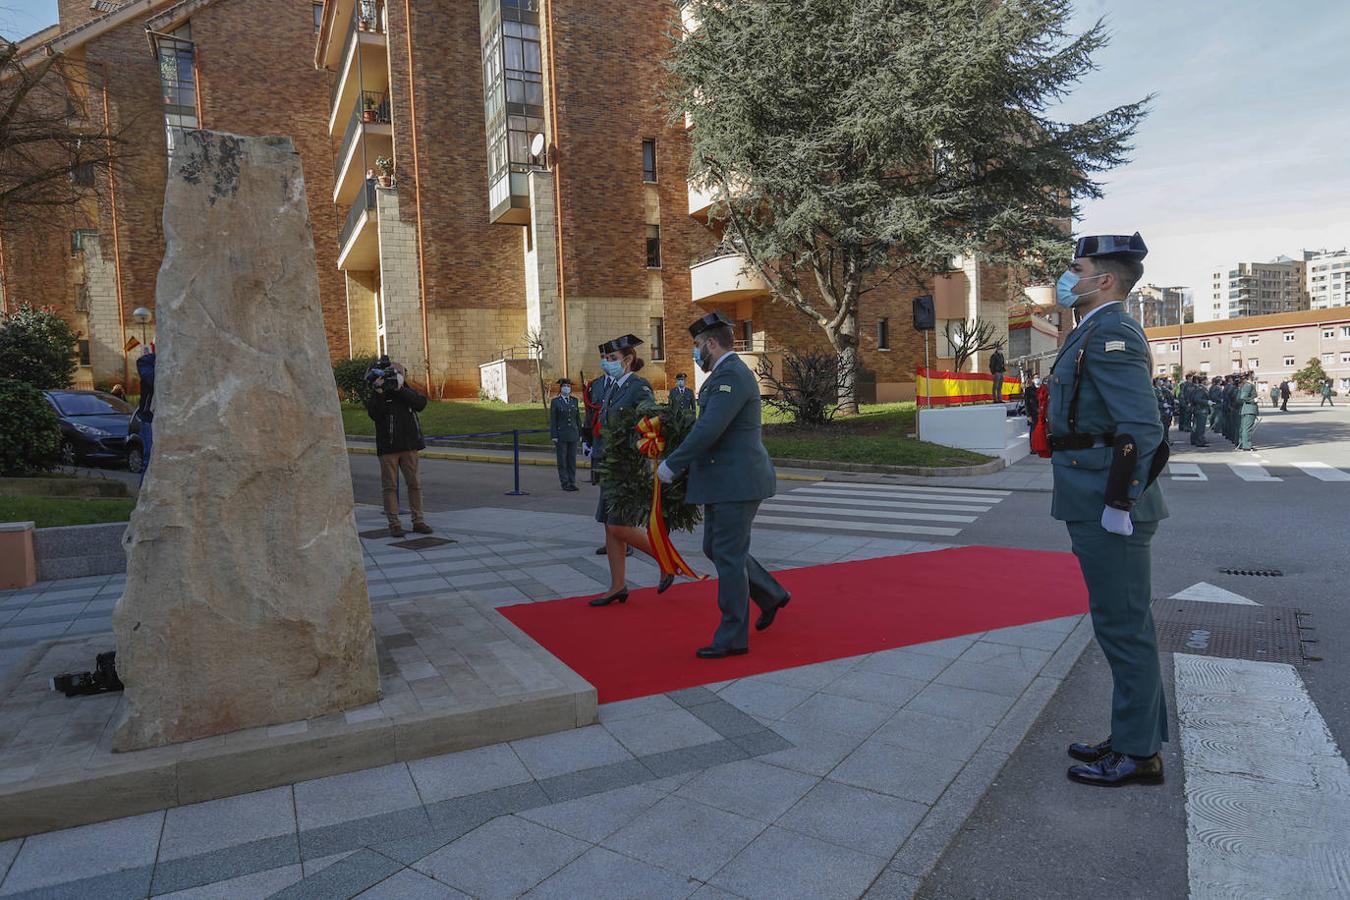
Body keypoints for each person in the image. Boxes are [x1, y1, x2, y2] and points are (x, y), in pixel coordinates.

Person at [1046, 232, 1169, 787]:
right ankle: (1130, 737)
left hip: (1107, 501)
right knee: (1121, 624)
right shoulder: (1092, 328)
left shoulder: (1112, 329)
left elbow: (1142, 427)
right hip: (1093, 492)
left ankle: (1140, 754)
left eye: (1076, 269)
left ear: (1105, 280)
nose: (1067, 278)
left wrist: (1121, 501)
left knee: (1124, 629)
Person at [658, 312, 790, 658]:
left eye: (698, 346)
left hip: (738, 482)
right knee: (716, 549)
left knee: (727, 555)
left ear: (711, 344)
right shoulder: (723, 374)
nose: (696, 352)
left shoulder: (731, 375)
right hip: (726, 481)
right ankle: (770, 593)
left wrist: (673, 464)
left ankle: (733, 636)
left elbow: (709, 429)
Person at [588, 334, 669, 606]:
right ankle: (617, 585)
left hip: (627, 467)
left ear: (628, 360)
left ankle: (665, 558)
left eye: (612, 359)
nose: (607, 363)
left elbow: (650, 419)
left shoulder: (638, 386)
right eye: (605, 358)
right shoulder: (612, 387)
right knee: (610, 528)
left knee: (619, 526)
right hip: (610, 464)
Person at [364, 359, 431, 538]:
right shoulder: (379, 393)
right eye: (391, 372)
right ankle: (394, 523)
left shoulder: (406, 390)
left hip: (409, 446)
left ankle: (418, 520)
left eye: (398, 373)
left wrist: (400, 389)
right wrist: (378, 392)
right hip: (388, 448)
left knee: (415, 484)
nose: (394, 376)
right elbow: (374, 414)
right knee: (389, 487)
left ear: (403, 375)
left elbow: (421, 404)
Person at [550, 378, 582, 491]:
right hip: (561, 434)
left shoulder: (574, 401)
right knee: (562, 460)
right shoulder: (555, 402)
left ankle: (572, 482)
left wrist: (580, 433)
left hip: (573, 434)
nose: (567, 388)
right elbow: (553, 420)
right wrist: (554, 435)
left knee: (572, 460)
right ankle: (565, 483)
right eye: (565, 386)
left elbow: (577, 418)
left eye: (568, 386)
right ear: (561, 388)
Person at [1236, 372, 1259, 451]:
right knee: (1247, 428)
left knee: (1245, 428)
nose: (1255, 376)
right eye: (1253, 375)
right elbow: (1243, 397)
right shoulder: (1248, 385)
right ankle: (1247, 446)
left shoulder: (1249, 385)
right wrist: (1254, 400)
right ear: (1250, 376)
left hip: (1248, 409)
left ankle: (1243, 444)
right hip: (1249, 409)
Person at [1189, 375, 1210, 447]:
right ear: (1203, 381)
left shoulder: (1200, 388)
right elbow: (1196, 399)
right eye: (1207, 380)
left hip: (1199, 410)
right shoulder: (1201, 389)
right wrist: (1207, 402)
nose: (1208, 382)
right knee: (1200, 427)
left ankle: (1195, 440)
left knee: (1196, 426)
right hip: (1201, 410)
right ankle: (1200, 441)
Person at [1153, 378, 1175, 444]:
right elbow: (1154, 402)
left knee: (1166, 428)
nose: (1161, 381)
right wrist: (1162, 405)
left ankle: (1166, 441)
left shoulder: (1161, 390)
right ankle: (1162, 443)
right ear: (1156, 382)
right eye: (1159, 380)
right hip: (1160, 412)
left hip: (1165, 412)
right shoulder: (1155, 391)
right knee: (1162, 428)